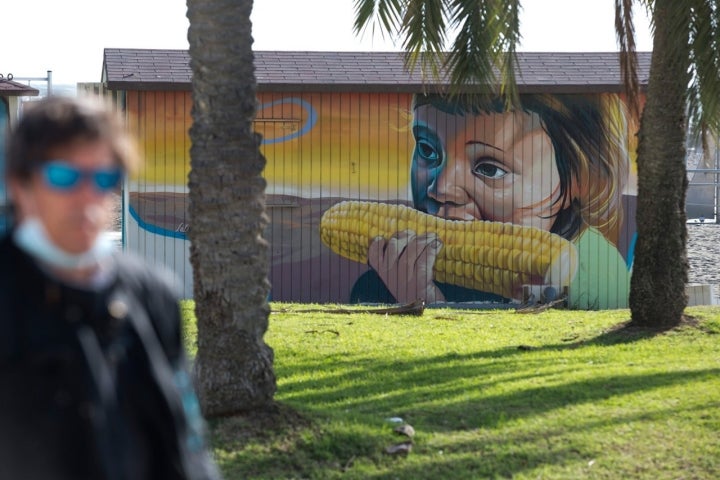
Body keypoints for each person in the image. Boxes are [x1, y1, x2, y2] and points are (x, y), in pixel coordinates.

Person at [0, 95, 220, 479]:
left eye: (103, 178)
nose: (88, 197)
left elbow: (186, 445)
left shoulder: (152, 294)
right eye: (65, 177)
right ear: (20, 185)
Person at [351, 93, 634, 309]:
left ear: (580, 181)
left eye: (490, 168)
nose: (442, 188)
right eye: (427, 150)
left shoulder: (591, 271)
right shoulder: (379, 285)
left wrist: (427, 304)